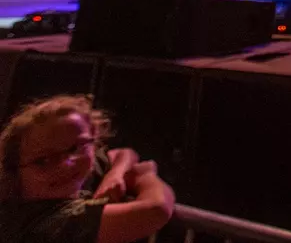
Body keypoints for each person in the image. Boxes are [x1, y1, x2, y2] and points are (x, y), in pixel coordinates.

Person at [0, 95, 174, 243]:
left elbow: (122, 153)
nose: (67, 162)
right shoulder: (51, 222)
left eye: (76, 147)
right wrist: (145, 176)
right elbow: (155, 210)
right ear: (13, 170)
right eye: (43, 161)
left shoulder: (62, 183)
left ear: (94, 140)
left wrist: (115, 174)